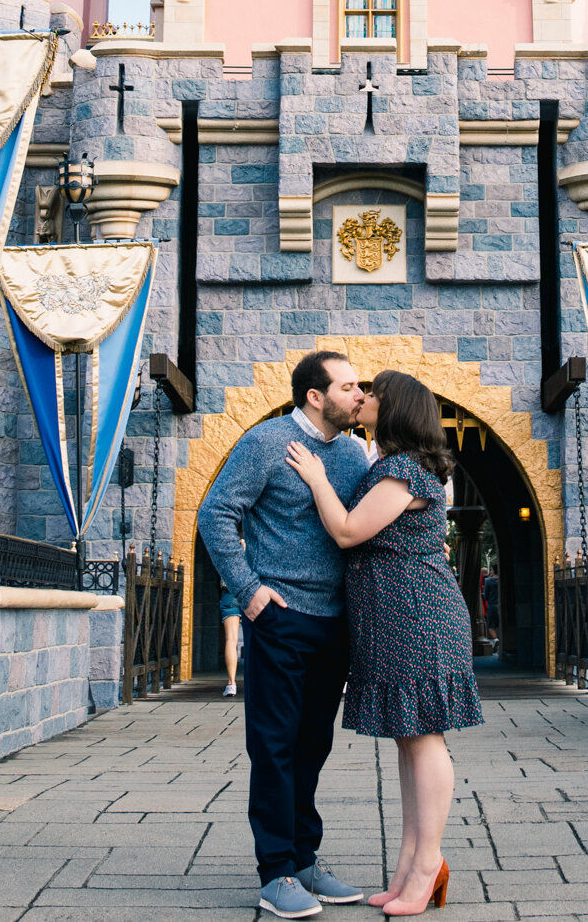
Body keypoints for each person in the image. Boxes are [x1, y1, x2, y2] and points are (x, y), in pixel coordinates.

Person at [287, 369, 484, 916]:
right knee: (409, 739)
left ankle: (427, 866)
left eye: (372, 393)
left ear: (393, 408)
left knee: (424, 740)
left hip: (417, 617)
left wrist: (317, 478)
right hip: (393, 619)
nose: (363, 398)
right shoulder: (392, 466)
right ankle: (409, 864)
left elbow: (349, 531)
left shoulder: (403, 470)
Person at [198, 349, 374, 919]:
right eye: (348, 387)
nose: (358, 395)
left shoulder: (351, 452)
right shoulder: (268, 442)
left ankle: (303, 859)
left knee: (312, 745)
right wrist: (249, 592)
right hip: (280, 617)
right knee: (273, 746)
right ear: (315, 396)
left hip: (334, 623)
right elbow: (216, 513)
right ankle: (274, 871)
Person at [219, 585, 242, 696]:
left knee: (231, 639)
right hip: (256, 593)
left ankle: (231, 684)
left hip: (231, 593)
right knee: (259, 639)